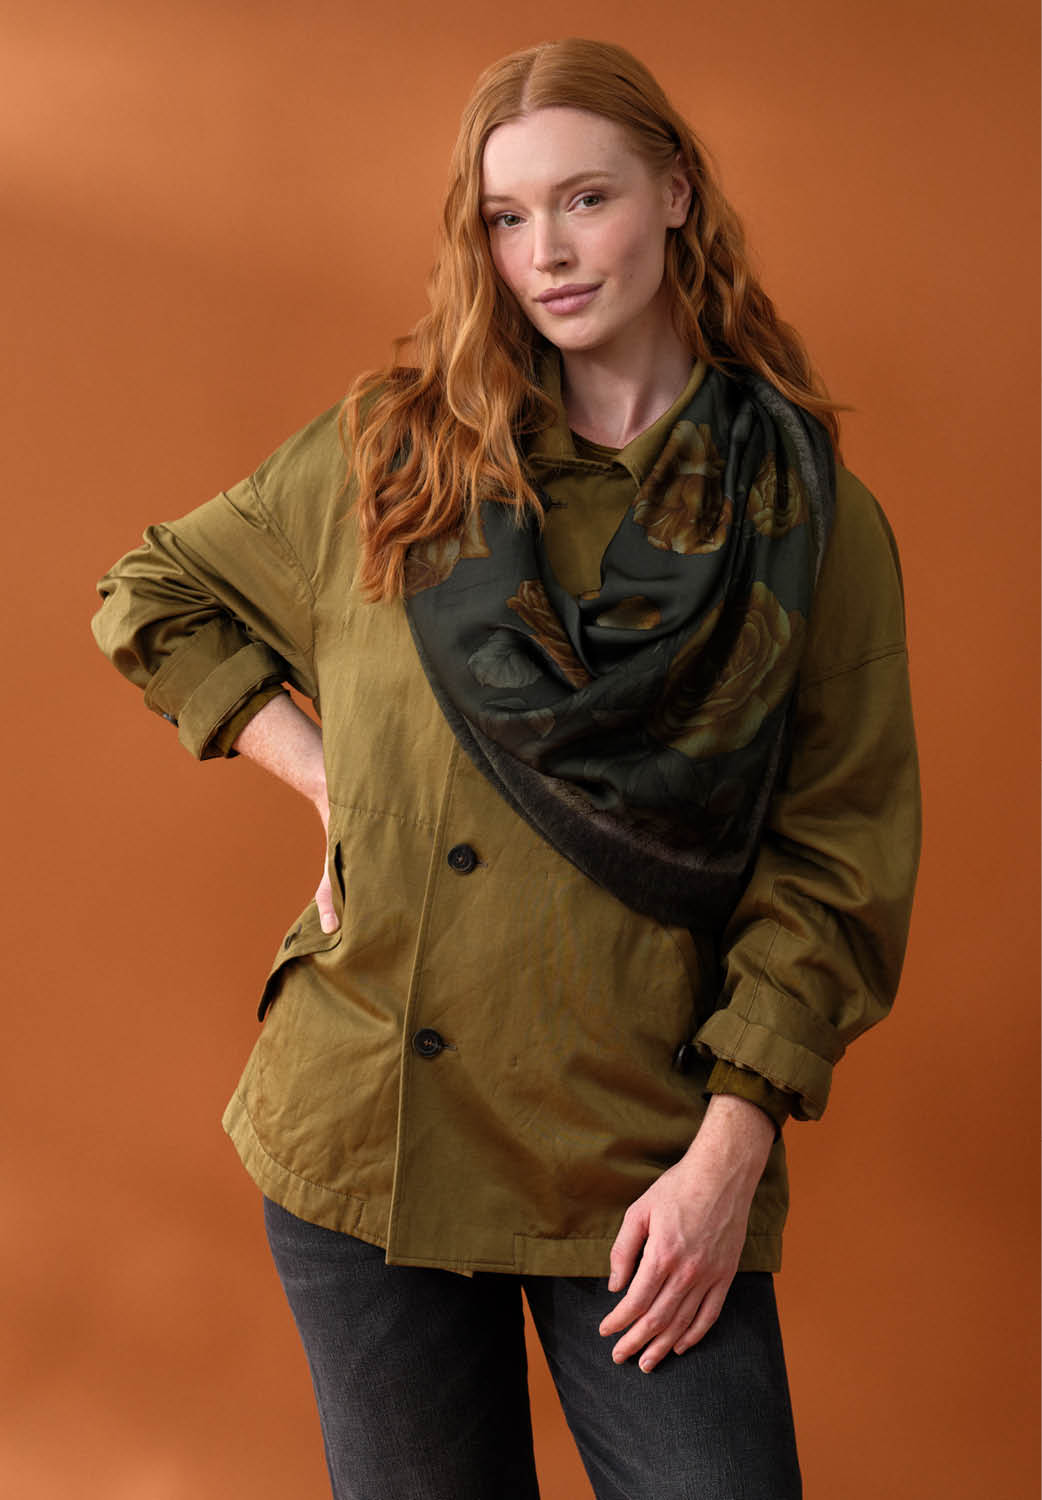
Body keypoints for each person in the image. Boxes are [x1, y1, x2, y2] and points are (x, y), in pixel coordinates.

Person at [91, 37, 920, 1500]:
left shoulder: (801, 513)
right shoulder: (398, 455)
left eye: (586, 198)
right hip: (370, 1128)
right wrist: (331, 780)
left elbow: (837, 852)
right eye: (506, 216)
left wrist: (728, 1157)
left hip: (641, 1152)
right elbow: (150, 597)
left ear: (675, 192)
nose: (547, 253)